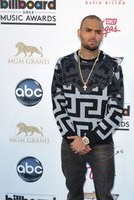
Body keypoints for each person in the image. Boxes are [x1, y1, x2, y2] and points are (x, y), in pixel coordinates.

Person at [51, 15, 124, 200]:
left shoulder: (112, 66)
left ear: (102, 35)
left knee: (104, 195)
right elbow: (58, 103)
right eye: (88, 30)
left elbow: (116, 111)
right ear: (79, 33)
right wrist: (73, 139)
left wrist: (87, 140)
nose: (93, 35)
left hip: (101, 144)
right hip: (71, 143)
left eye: (98, 31)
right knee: (73, 194)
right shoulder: (63, 64)